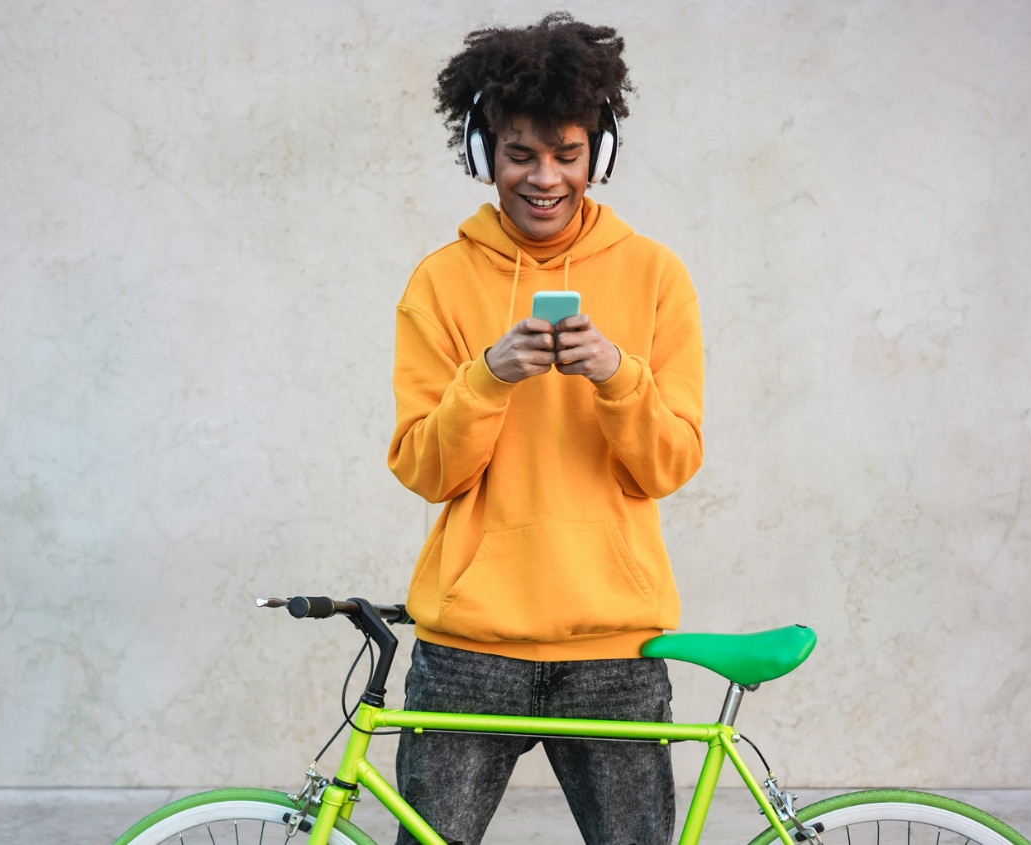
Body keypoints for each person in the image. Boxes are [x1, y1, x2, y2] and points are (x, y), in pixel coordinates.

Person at [387, 12, 704, 845]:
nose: (545, 179)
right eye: (521, 154)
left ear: (597, 154)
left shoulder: (657, 276)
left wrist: (615, 373)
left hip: (613, 645)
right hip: (469, 645)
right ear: (482, 150)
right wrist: (488, 377)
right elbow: (427, 469)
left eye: (567, 154)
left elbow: (670, 462)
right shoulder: (441, 282)